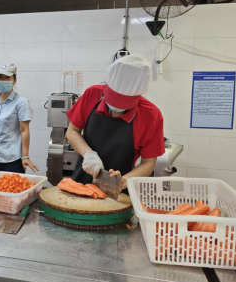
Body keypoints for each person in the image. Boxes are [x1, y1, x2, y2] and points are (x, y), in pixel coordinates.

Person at [66, 54, 164, 188]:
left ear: (138, 95)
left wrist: (125, 180)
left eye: (124, 104)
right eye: (113, 98)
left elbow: (148, 163)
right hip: (82, 182)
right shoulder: (92, 94)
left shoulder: (151, 115)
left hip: (119, 189)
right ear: (106, 85)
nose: (116, 109)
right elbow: (72, 131)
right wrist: (88, 154)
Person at [0, 63, 38, 174]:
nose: (3, 81)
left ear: (14, 80)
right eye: (0, 77)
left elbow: (24, 130)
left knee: (13, 185)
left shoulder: (21, 102)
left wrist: (25, 156)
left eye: (7, 78)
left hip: (13, 158)